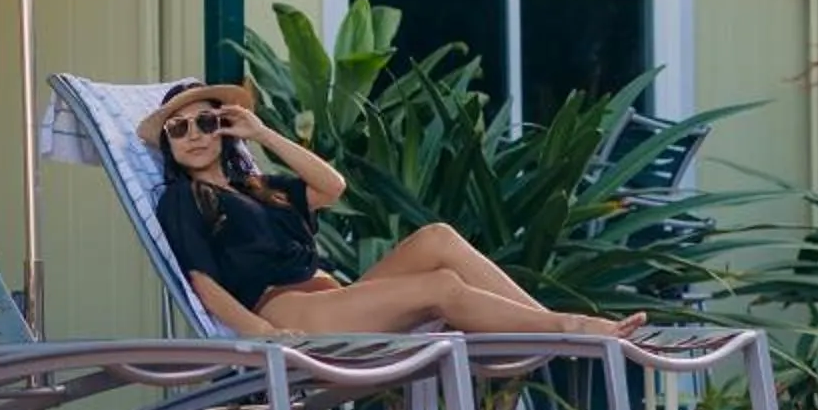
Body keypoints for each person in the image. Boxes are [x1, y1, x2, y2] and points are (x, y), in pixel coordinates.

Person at [141, 79, 648, 342]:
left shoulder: (256, 185)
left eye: (204, 122)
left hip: (336, 299)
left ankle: (547, 328)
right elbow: (203, 284)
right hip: (288, 310)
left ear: (223, 126)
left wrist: (263, 133)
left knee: (438, 239)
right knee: (441, 288)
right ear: (167, 144)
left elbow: (331, 186)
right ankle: (567, 330)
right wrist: (263, 335)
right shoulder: (183, 199)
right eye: (178, 129)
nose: (193, 136)